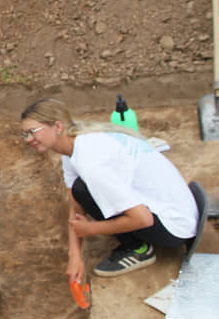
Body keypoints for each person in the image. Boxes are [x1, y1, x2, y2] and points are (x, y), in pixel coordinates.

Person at [20, 97, 198, 281]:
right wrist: (74, 255)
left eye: (33, 132)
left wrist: (93, 229)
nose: (28, 139)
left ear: (57, 127)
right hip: (178, 207)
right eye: (25, 134)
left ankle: (139, 249)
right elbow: (75, 201)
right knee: (81, 190)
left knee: (85, 189)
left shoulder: (91, 163)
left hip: (175, 227)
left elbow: (142, 219)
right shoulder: (74, 143)